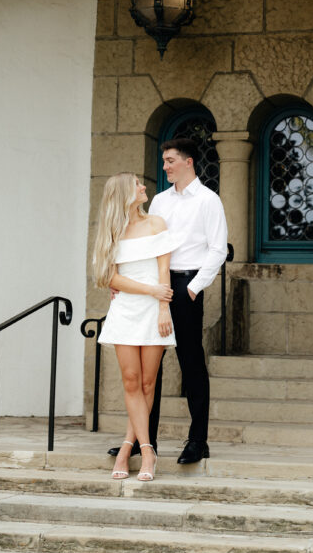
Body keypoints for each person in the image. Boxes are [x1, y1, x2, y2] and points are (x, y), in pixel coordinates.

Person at [94, 172, 177, 481]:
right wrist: (149, 291)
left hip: (155, 311)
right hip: (126, 311)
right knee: (131, 381)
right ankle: (144, 449)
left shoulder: (156, 223)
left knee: (147, 385)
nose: (144, 187)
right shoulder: (111, 232)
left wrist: (162, 306)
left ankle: (132, 448)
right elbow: (110, 279)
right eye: (138, 185)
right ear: (124, 194)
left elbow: (163, 269)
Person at [151, 137, 228, 464]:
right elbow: (151, 244)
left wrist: (193, 288)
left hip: (186, 285)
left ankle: (198, 441)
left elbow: (218, 249)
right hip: (156, 288)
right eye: (165, 161)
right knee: (149, 365)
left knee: (191, 362)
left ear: (188, 162)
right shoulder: (158, 201)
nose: (165, 166)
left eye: (170, 160)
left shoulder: (209, 201)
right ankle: (144, 441)